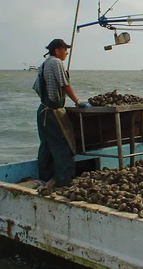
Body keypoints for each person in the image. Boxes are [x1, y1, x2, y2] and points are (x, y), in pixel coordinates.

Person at [32, 39, 90, 188]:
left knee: (45, 146)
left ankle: (45, 178)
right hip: (53, 112)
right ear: (57, 50)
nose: (66, 52)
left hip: (42, 110)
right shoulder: (56, 63)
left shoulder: (43, 64)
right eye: (64, 50)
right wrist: (77, 101)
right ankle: (65, 182)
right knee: (63, 147)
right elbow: (65, 85)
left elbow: (36, 87)